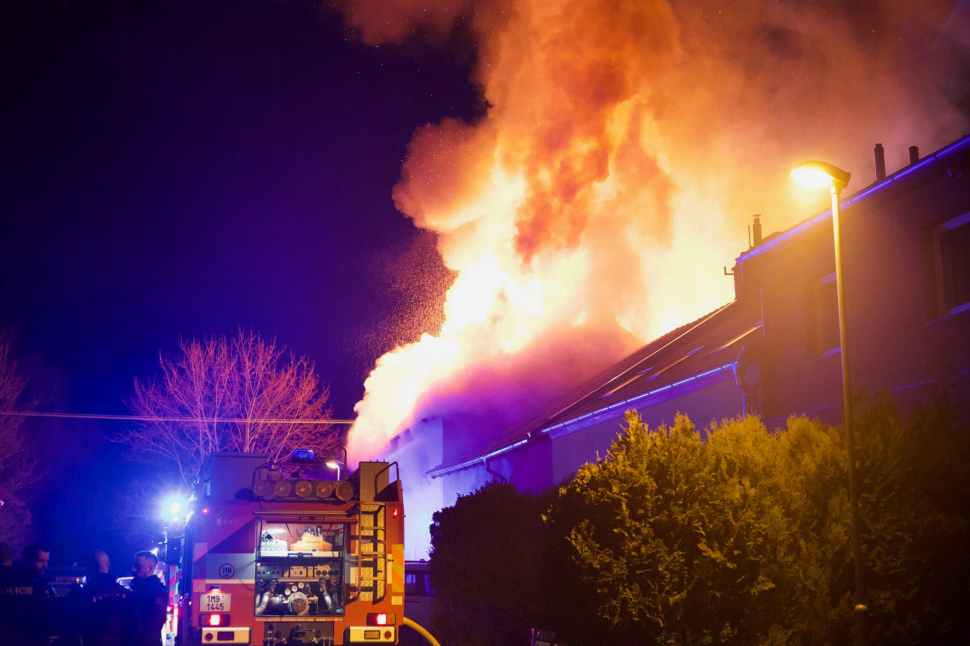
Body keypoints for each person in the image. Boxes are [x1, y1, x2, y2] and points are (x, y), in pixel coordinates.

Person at [66, 550, 132, 646]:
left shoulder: (83, 594)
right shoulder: (125, 593)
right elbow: (135, 624)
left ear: (89, 568)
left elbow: (74, 627)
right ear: (108, 565)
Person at [0, 543, 55, 646]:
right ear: (27, 560)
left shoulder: (9, 579)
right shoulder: (38, 586)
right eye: (40, 561)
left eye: (46, 561)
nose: (45, 566)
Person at [129, 550, 168, 646]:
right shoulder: (140, 588)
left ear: (150, 569)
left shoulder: (156, 591)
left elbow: (153, 624)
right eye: (134, 566)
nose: (133, 569)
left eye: (138, 566)